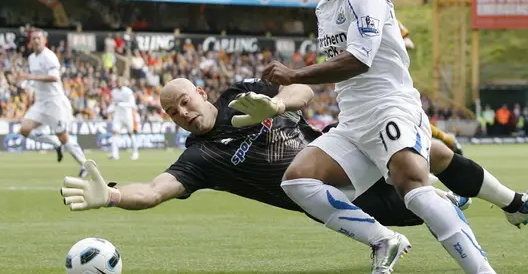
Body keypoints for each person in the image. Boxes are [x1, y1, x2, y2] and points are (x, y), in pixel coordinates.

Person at [261, 0, 528, 274]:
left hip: (391, 107)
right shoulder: (326, 6)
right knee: (298, 179)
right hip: (355, 121)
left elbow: (360, 59)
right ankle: (383, 239)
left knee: (413, 186)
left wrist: (295, 74)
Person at [60, 78, 467, 232]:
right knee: (428, 209)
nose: (183, 114)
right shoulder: (199, 158)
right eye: (173, 113)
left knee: (430, 155)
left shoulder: (239, 95)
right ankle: (462, 196)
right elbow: (152, 191)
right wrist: (112, 195)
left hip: (345, 151)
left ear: (201, 93)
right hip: (344, 202)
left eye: (185, 102)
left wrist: (275, 106)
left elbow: (302, 92)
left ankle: (501, 196)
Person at [15, 29, 88, 177]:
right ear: (30, 42)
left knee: (64, 136)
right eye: (33, 38)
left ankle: (85, 165)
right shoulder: (31, 58)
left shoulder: (49, 56)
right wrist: (31, 89)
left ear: (44, 41)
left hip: (54, 102)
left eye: (38, 38)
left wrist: (31, 77)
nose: (36, 41)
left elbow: (54, 78)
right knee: (24, 129)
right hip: (41, 102)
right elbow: (36, 81)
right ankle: (54, 143)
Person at [108, 77, 140, 161]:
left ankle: (135, 153)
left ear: (123, 82)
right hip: (118, 115)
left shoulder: (128, 92)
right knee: (115, 133)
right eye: (117, 81)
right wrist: (108, 110)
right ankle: (115, 154)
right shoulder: (114, 92)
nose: (118, 83)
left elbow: (132, 104)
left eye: (119, 81)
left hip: (127, 115)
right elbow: (114, 103)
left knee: (130, 133)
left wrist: (121, 104)